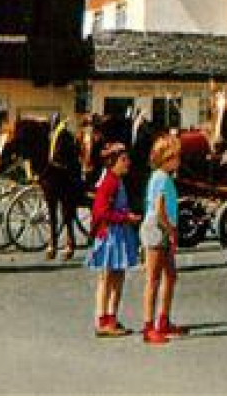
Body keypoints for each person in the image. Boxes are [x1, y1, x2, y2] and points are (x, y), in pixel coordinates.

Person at [86, 143, 141, 337]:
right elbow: (101, 212)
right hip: (111, 235)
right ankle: (103, 319)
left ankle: (111, 316)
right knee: (108, 278)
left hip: (118, 234)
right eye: (123, 160)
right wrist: (125, 217)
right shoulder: (110, 182)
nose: (128, 163)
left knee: (117, 278)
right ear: (113, 162)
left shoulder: (116, 181)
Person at [141, 134, 188, 344]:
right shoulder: (161, 178)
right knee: (153, 279)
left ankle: (163, 319)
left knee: (170, 275)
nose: (178, 160)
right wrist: (171, 229)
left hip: (164, 229)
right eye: (175, 156)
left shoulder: (164, 177)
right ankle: (149, 325)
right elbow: (160, 209)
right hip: (157, 229)